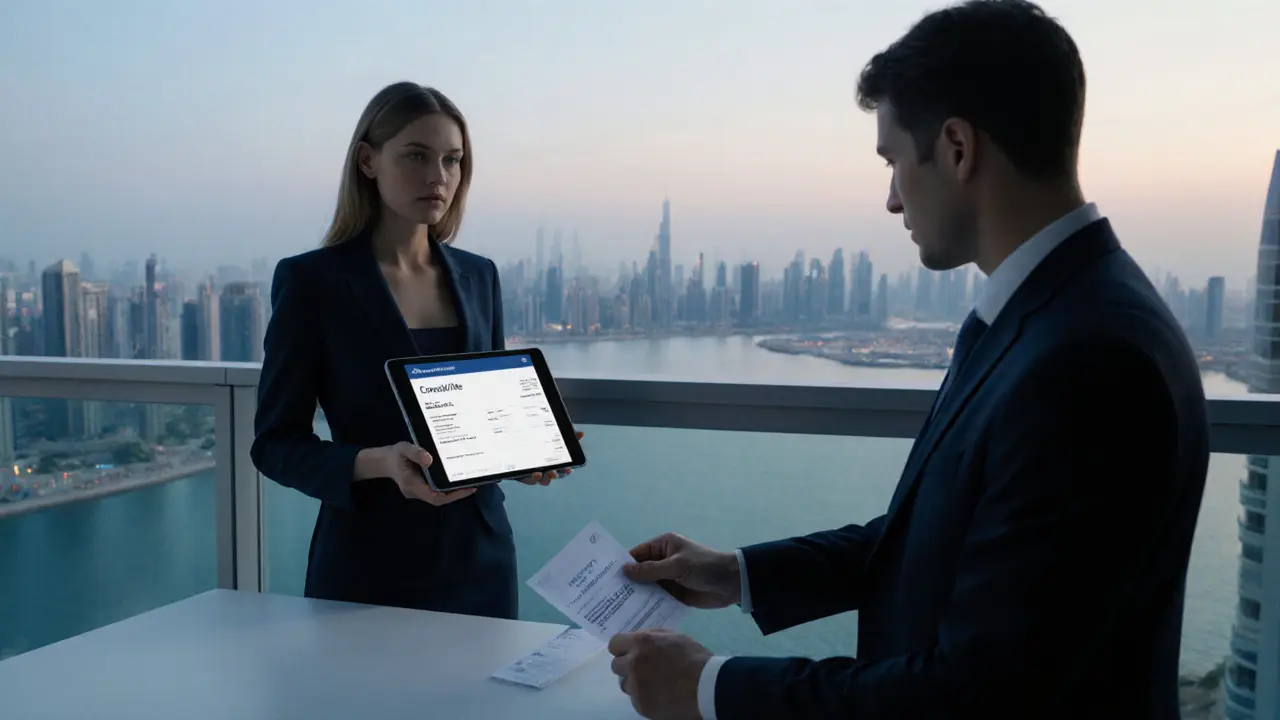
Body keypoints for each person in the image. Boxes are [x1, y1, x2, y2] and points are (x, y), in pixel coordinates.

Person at [606, 2, 1210, 718]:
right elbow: (934, 538)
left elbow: (979, 694)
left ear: (957, 148)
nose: (891, 199)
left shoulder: (1087, 361)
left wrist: (706, 687)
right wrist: (735, 573)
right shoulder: (1050, 315)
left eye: (894, 160)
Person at [250, 82, 577, 619]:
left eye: (453, 160)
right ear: (368, 160)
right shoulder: (313, 281)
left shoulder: (479, 275)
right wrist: (379, 462)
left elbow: (478, 412)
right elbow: (275, 443)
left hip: (480, 557)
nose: (439, 177)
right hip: (367, 562)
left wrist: (522, 451)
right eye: (417, 156)